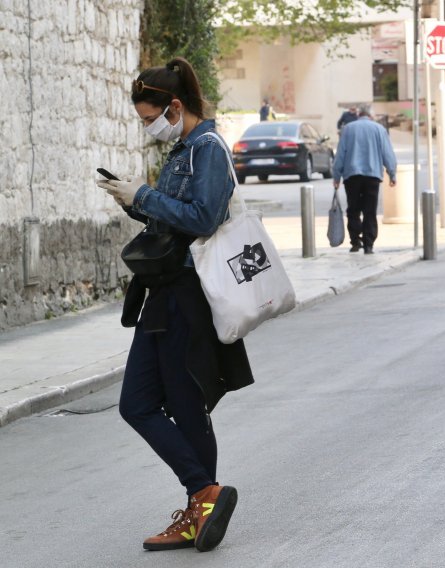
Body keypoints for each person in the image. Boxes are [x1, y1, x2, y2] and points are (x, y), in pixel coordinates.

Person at [96, 57, 253, 552]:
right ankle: (202, 499)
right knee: (145, 404)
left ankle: (201, 499)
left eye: (149, 119)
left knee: (177, 405)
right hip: (164, 293)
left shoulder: (206, 148)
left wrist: (142, 194)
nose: (148, 128)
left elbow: (203, 217)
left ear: (175, 106)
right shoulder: (185, 149)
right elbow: (175, 221)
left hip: (187, 295)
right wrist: (134, 201)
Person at [333, 104, 397, 254]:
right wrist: (392, 173)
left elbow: (340, 155)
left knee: (353, 209)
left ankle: (355, 241)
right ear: (371, 115)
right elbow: (387, 154)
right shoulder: (379, 129)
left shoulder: (348, 129)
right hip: (372, 176)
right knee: (370, 210)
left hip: (352, 175)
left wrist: (336, 176)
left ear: (358, 114)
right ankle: (369, 245)